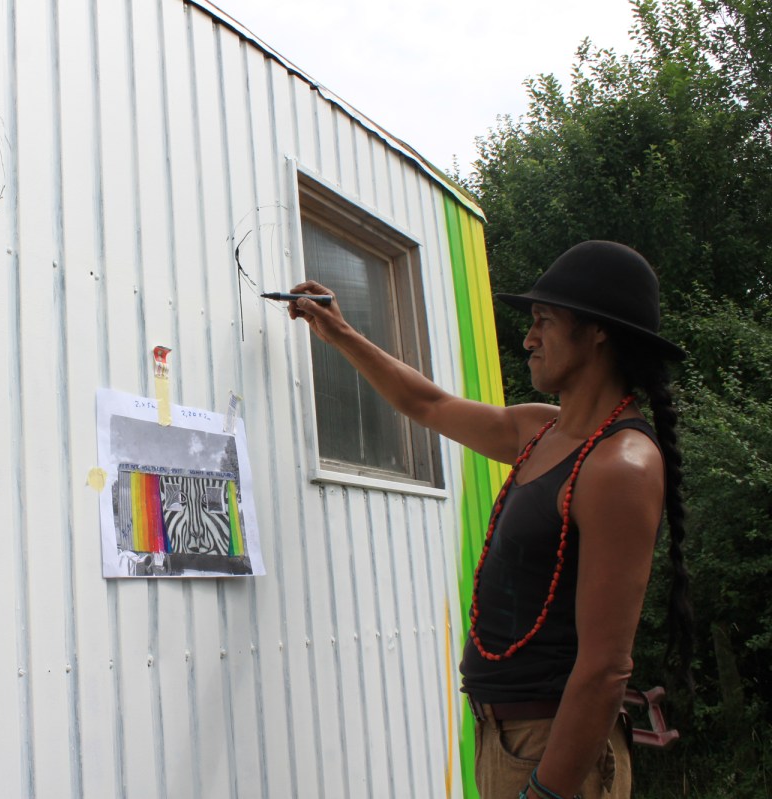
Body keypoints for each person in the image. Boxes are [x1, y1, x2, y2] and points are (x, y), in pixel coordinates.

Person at [286, 241, 692, 799]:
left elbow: (605, 669)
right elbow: (427, 405)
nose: (529, 339)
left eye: (544, 321)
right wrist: (339, 332)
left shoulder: (620, 466)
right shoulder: (541, 430)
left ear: (598, 331)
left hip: (555, 750)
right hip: (507, 739)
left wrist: (547, 790)